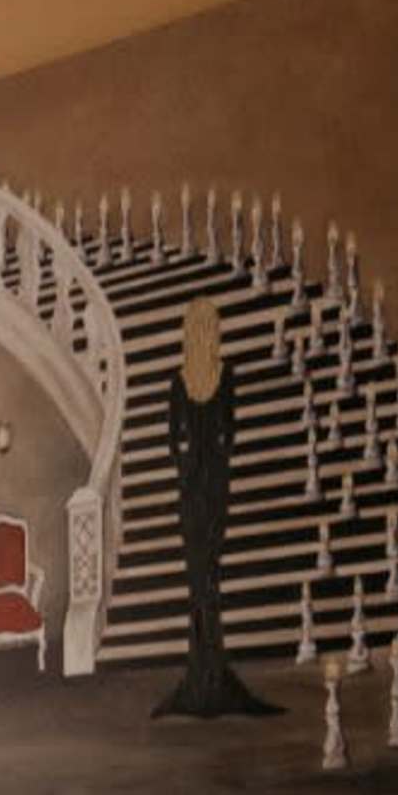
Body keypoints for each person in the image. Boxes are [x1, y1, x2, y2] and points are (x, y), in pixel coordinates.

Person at [155, 295, 276, 720]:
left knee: (203, 582)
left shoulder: (199, 381)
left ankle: (207, 674)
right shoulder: (199, 381)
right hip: (206, 489)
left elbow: (179, 441)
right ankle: (205, 674)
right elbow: (222, 434)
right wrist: (206, 462)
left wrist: (190, 462)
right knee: (204, 582)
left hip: (196, 491)